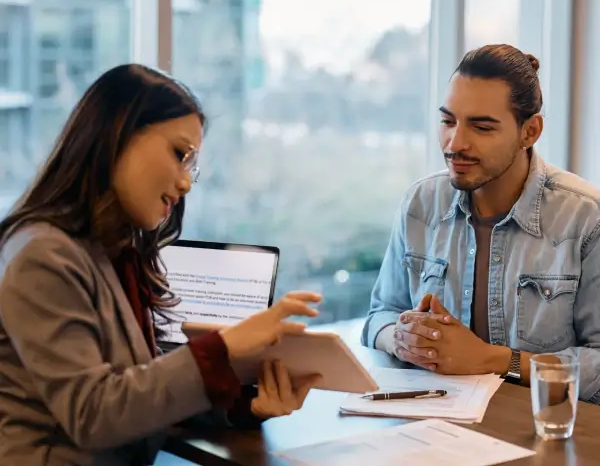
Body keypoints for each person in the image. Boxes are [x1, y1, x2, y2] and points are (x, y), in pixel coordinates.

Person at [0, 64, 322, 466]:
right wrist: (223, 349)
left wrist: (247, 406)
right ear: (119, 133)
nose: (187, 182)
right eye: (179, 154)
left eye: (192, 166)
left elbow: (141, 395)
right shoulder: (42, 254)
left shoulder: (115, 254)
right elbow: (93, 413)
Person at [362, 44, 600, 403]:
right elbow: (380, 314)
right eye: (447, 121)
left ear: (530, 131)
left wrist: (496, 361)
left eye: (482, 127)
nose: (455, 143)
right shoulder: (420, 204)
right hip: (433, 430)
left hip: (542, 438)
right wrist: (400, 337)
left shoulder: (586, 217)